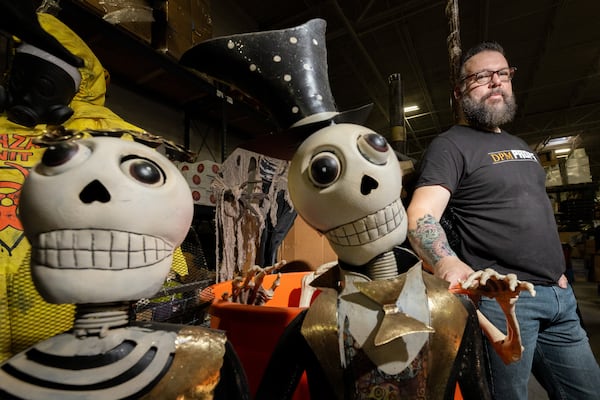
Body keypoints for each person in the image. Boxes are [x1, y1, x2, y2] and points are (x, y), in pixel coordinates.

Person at [406, 41, 600, 400]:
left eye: (503, 74)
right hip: (504, 302)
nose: (496, 81)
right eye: (481, 76)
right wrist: (446, 260)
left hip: (559, 296)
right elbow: (421, 214)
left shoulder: (522, 146)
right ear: (460, 91)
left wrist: (556, 273)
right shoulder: (451, 145)